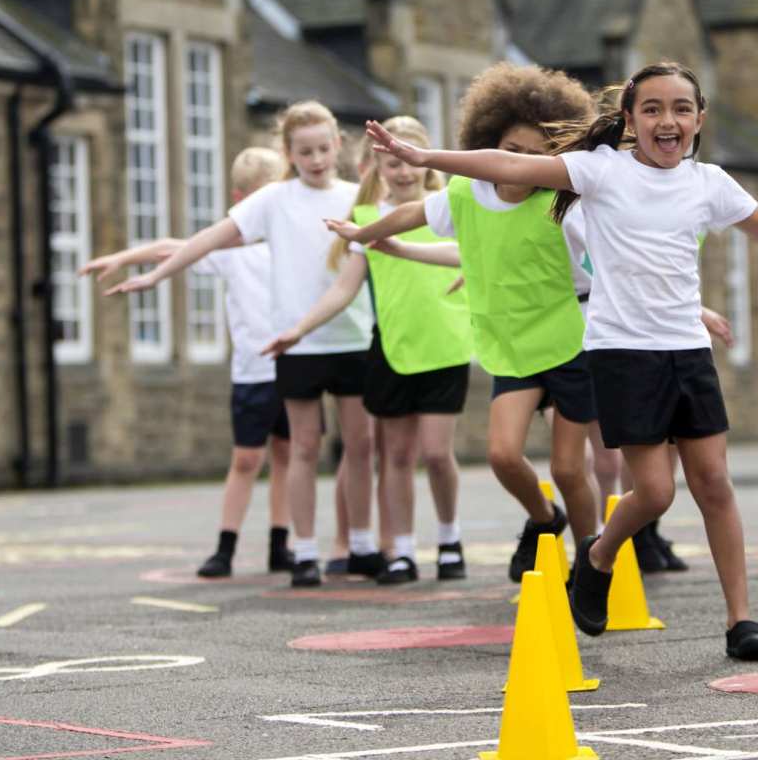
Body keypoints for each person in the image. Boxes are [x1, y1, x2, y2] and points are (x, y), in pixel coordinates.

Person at [364, 61, 758, 659]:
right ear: (631, 119)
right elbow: (509, 164)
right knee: (656, 493)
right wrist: (428, 159)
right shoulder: (599, 171)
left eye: (681, 109)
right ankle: (600, 553)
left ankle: (741, 620)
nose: (668, 120)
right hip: (622, 352)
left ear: (698, 119)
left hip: (686, 351)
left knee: (714, 482)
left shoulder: (708, 183)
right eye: (654, 109)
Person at [328, 65, 606, 583]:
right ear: (487, 144)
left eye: (534, 155)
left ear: (556, 160)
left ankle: (590, 565)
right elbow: (410, 216)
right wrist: (363, 234)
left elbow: (611, 268)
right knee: (502, 455)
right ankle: (545, 520)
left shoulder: (566, 207)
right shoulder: (465, 196)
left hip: (572, 337)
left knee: (570, 469)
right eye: (509, 150)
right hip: (512, 342)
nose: (517, 164)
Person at [106, 101, 380, 589]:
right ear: (288, 153)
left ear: (338, 144)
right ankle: (305, 553)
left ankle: (361, 545)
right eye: (304, 152)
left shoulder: (358, 197)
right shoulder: (274, 200)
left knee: (359, 445)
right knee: (302, 448)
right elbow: (210, 237)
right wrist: (155, 276)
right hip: (294, 344)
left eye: (323, 148)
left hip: (353, 339)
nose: (316, 159)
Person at [264, 116, 472, 584]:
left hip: (446, 345)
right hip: (393, 349)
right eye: (390, 163)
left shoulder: (451, 208)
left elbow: (478, 257)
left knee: (437, 453)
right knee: (395, 456)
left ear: (423, 161)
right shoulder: (366, 221)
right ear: (376, 164)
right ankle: (399, 550)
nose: (401, 172)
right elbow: (343, 289)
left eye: (407, 161)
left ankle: (449, 538)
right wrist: (299, 330)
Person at [81, 147, 295, 577]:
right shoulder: (230, 250)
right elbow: (171, 249)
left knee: (290, 458)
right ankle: (225, 547)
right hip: (253, 373)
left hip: (295, 366)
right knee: (246, 460)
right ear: (240, 200)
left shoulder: (293, 243)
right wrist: (123, 258)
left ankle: (281, 543)